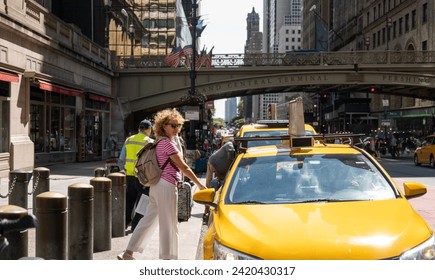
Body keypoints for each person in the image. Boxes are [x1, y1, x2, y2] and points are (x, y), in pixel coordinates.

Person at [117, 108, 206, 260]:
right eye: (173, 125)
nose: (176, 128)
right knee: (169, 224)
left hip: (157, 186)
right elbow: (183, 166)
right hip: (167, 185)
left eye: (178, 125)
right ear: (163, 126)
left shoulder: (160, 141)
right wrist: (200, 184)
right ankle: (167, 258)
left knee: (148, 220)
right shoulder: (167, 144)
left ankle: (128, 252)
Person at [118, 119, 153, 230]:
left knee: (129, 199)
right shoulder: (150, 142)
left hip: (129, 175)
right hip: (143, 177)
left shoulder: (129, 140)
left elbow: (121, 159)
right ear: (148, 129)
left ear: (139, 129)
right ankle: (136, 226)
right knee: (142, 201)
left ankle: (125, 222)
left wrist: (123, 169)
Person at [203, 140, 236, 224]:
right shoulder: (230, 145)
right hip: (213, 164)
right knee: (209, 186)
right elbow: (230, 156)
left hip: (222, 169)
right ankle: (206, 210)